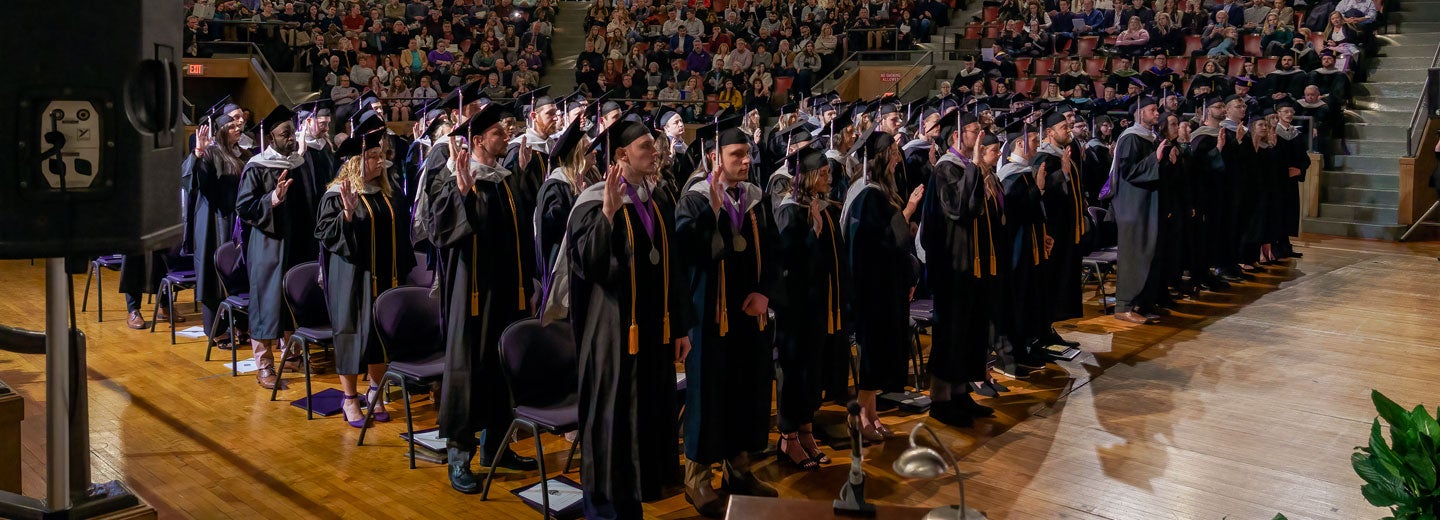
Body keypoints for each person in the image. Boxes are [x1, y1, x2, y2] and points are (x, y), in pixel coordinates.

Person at [565, 119, 692, 520]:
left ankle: (635, 499)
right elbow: (589, 266)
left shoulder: (656, 199)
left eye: (653, 146)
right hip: (611, 335)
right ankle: (603, 509)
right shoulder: (591, 201)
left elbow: (673, 266)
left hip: (653, 331)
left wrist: (680, 326)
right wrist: (607, 214)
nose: (654, 152)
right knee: (612, 422)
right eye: (644, 147)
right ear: (621, 156)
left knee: (647, 418)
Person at [426, 102, 539, 495]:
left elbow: (521, 230)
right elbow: (437, 232)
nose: (505, 137)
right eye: (498, 134)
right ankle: (460, 456)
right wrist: (460, 192)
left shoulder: (503, 177)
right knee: (468, 370)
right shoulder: (454, 176)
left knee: (502, 368)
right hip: (470, 294)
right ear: (477, 140)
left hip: (507, 291)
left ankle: (497, 447)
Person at [674, 116, 781, 518]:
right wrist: (713, 214)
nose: (746, 161)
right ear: (713, 158)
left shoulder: (754, 197)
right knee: (707, 392)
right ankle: (697, 478)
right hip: (708, 314)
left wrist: (764, 293)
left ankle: (738, 470)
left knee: (745, 388)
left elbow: (772, 252)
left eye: (748, 154)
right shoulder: (695, 199)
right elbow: (688, 257)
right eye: (736, 155)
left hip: (748, 315)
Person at [315, 129, 416, 428]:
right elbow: (325, 235)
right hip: (352, 279)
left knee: (380, 335)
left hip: (385, 275)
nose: (379, 162)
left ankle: (375, 389)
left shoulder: (388, 191)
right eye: (371, 157)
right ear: (355, 162)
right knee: (350, 333)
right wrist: (346, 214)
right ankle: (348, 397)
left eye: (381, 156)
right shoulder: (337, 194)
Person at [841, 128, 923, 440]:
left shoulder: (875, 190)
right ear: (878, 158)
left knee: (883, 349)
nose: (896, 159)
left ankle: (871, 412)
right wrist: (908, 214)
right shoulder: (866, 195)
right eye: (891, 153)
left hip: (887, 285)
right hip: (873, 289)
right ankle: (861, 414)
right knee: (874, 351)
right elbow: (873, 245)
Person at [920, 113, 1001, 427]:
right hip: (952, 266)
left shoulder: (966, 168)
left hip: (971, 265)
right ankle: (941, 400)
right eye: (973, 130)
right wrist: (977, 170)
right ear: (957, 135)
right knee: (951, 333)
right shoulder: (945, 169)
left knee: (970, 330)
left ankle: (961, 391)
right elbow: (958, 210)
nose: (979, 135)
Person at [236, 105, 320, 389]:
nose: (291, 138)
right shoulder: (257, 166)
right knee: (267, 304)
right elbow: (244, 207)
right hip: (268, 246)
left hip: (299, 243)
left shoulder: (300, 163)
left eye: (292, 132)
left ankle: (292, 354)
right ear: (271, 137)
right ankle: (265, 365)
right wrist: (272, 198)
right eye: (285, 134)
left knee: (293, 300)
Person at [773, 148, 844, 470]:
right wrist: (813, 233)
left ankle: (806, 432)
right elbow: (788, 263)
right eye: (825, 173)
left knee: (812, 371)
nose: (830, 177)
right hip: (795, 308)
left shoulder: (815, 205)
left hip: (817, 303)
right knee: (794, 371)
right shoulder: (790, 210)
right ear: (810, 175)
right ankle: (787, 439)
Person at [185, 112, 250, 343]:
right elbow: (199, 183)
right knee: (214, 276)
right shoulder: (211, 154)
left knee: (239, 273)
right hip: (215, 222)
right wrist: (199, 153)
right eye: (231, 127)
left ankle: (242, 325)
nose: (237, 129)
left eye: (238, 126)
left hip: (237, 221)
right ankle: (216, 330)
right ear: (221, 131)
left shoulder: (243, 153)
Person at [1110, 96, 1166, 325]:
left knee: (1147, 254)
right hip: (1132, 206)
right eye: (1153, 110)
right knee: (1133, 255)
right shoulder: (1130, 138)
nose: (1157, 114)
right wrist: (1156, 158)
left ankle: (1142, 303)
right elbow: (1128, 171)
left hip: (1146, 204)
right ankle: (1123, 306)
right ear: (1139, 112)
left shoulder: (1150, 138)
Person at [534, 119, 589, 307]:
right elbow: (553, 230)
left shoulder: (576, 184)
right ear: (577, 155)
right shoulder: (555, 187)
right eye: (589, 148)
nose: (596, 151)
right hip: (559, 262)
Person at [1272, 101, 1310, 259]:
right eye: (1285, 111)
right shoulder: (1273, 133)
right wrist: (1283, 172)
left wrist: (1300, 170)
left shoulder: (1296, 133)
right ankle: (1276, 247)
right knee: (1278, 212)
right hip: (1277, 180)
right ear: (1278, 114)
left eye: (1291, 112)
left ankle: (1286, 246)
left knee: (1289, 212)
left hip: (1291, 181)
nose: (1289, 114)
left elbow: (1305, 158)